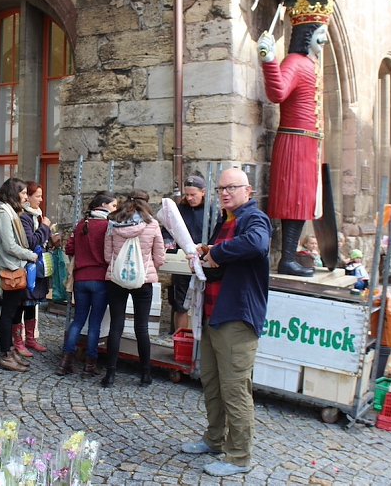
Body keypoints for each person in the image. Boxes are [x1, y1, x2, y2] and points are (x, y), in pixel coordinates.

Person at [180, 167, 271, 478]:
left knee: (235, 389)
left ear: (248, 191)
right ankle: (214, 439)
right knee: (212, 383)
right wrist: (205, 256)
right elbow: (222, 266)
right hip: (214, 314)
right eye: (221, 189)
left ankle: (239, 457)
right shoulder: (226, 220)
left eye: (232, 187)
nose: (226, 193)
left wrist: (216, 251)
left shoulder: (253, 218)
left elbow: (257, 244)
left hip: (236, 317)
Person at [257, 0, 335, 277]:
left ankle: (289, 256)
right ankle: (286, 258)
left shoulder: (311, 64)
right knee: (293, 200)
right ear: (307, 35)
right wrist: (269, 61)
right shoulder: (296, 61)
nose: (323, 40)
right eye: (320, 34)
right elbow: (277, 93)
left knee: (302, 200)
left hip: (309, 143)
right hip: (296, 140)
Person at [102, 189, 166, 388]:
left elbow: (107, 256)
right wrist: (148, 267)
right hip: (143, 281)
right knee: (141, 327)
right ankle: (145, 374)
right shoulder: (153, 224)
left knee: (116, 326)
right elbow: (160, 257)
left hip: (117, 280)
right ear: (146, 203)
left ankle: (110, 374)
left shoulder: (113, 223)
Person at [58, 191, 118, 377]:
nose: (116, 209)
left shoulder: (81, 224)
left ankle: (65, 362)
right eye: (114, 206)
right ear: (104, 205)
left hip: (81, 279)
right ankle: (90, 366)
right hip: (100, 280)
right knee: (95, 324)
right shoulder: (108, 226)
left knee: (78, 320)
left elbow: (69, 248)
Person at [0, 177, 38, 372]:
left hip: (16, 267)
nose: (26, 196)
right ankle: (5, 354)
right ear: (14, 193)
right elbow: (10, 245)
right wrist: (31, 255)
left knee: (12, 312)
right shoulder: (4, 213)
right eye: (23, 193)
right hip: (10, 269)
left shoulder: (11, 212)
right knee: (8, 313)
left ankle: (10, 351)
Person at [14, 181, 57, 357]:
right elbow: (31, 242)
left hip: (37, 267)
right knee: (22, 303)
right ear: (28, 197)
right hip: (27, 267)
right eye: (37, 195)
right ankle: (18, 341)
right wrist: (45, 227)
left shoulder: (37, 215)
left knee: (32, 303)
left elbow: (40, 239)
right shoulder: (24, 217)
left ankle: (30, 339)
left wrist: (52, 237)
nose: (41, 199)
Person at [161, 175, 208, 333]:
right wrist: (168, 243)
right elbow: (167, 230)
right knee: (180, 303)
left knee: (204, 302)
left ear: (203, 192)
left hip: (205, 261)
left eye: (193, 195)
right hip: (183, 261)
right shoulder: (180, 209)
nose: (189, 198)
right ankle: (178, 339)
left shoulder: (212, 210)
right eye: (186, 194)